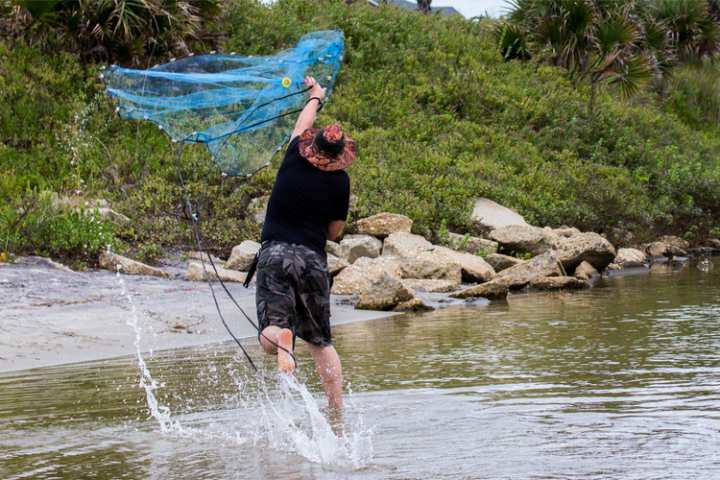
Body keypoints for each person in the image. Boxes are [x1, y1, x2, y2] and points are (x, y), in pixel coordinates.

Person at [255, 76, 355, 415]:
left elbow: (303, 123)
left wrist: (316, 95)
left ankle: (283, 339)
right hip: (312, 260)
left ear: (311, 146)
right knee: (320, 342)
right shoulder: (341, 182)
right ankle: (336, 414)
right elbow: (334, 233)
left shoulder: (293, 157)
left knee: (271, 331)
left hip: (275, 253)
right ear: (340, 154)